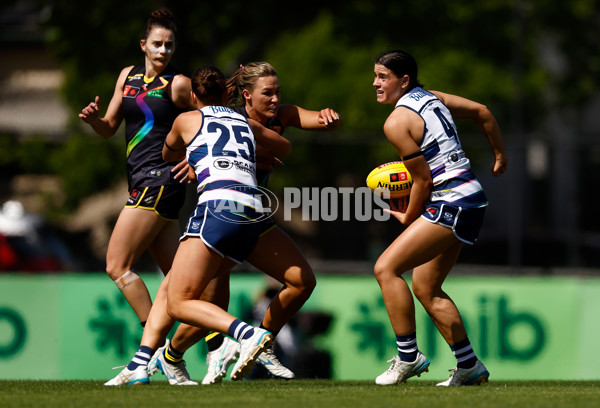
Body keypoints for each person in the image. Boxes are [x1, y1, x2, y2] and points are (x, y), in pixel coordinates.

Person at [105, 65, 292, 385]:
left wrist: (196, 158)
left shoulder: (187, 119)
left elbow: (167, 152)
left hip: (217, 211)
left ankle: (243, 335)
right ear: (227, 95)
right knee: (176, 287)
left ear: (192, 96)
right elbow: (284, 147)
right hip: (252, 217)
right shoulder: (243, 121)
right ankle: (146, 363)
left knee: (177, 300)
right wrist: (254, 156)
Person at [371, 50, 508, 386]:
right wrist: (500, 155)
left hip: (451, 202)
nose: (375, 83)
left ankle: (408, 357)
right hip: (471, 199)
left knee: (386, 268)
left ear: (403, 81)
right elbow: (482, 112)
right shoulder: (431, 97)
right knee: (426, 287)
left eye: (382, 76)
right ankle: (469, 366)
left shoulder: (396, 122)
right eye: (374, 76)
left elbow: (423, 180)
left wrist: (407, 217)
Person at [78, 9, 192, 326]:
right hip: (143, 182)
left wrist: (192, 160)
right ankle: (218, 343)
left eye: (169, 45)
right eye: (157, 44)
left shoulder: (179, 84)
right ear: (143, 44)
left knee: (117, 266)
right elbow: (109, 127)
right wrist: (93, 120)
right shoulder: (127, 77)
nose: (163, 51)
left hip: (159, 182)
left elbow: (208, 121)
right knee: (180, 281)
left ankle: (150, 348)